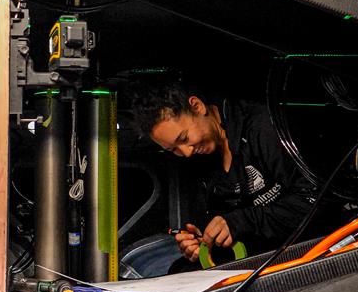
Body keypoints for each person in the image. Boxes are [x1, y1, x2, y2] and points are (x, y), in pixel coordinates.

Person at [131, 80, 318, 270]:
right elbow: (225, 221)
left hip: (306, 249)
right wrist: (203, 238)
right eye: (173, 149)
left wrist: (241, 222)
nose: (186, 152)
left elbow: (315, 201)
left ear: (197, 106)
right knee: (180, 270)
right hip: (255, 255)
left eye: (184, 138)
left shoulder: (262, 128)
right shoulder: (200, 161)